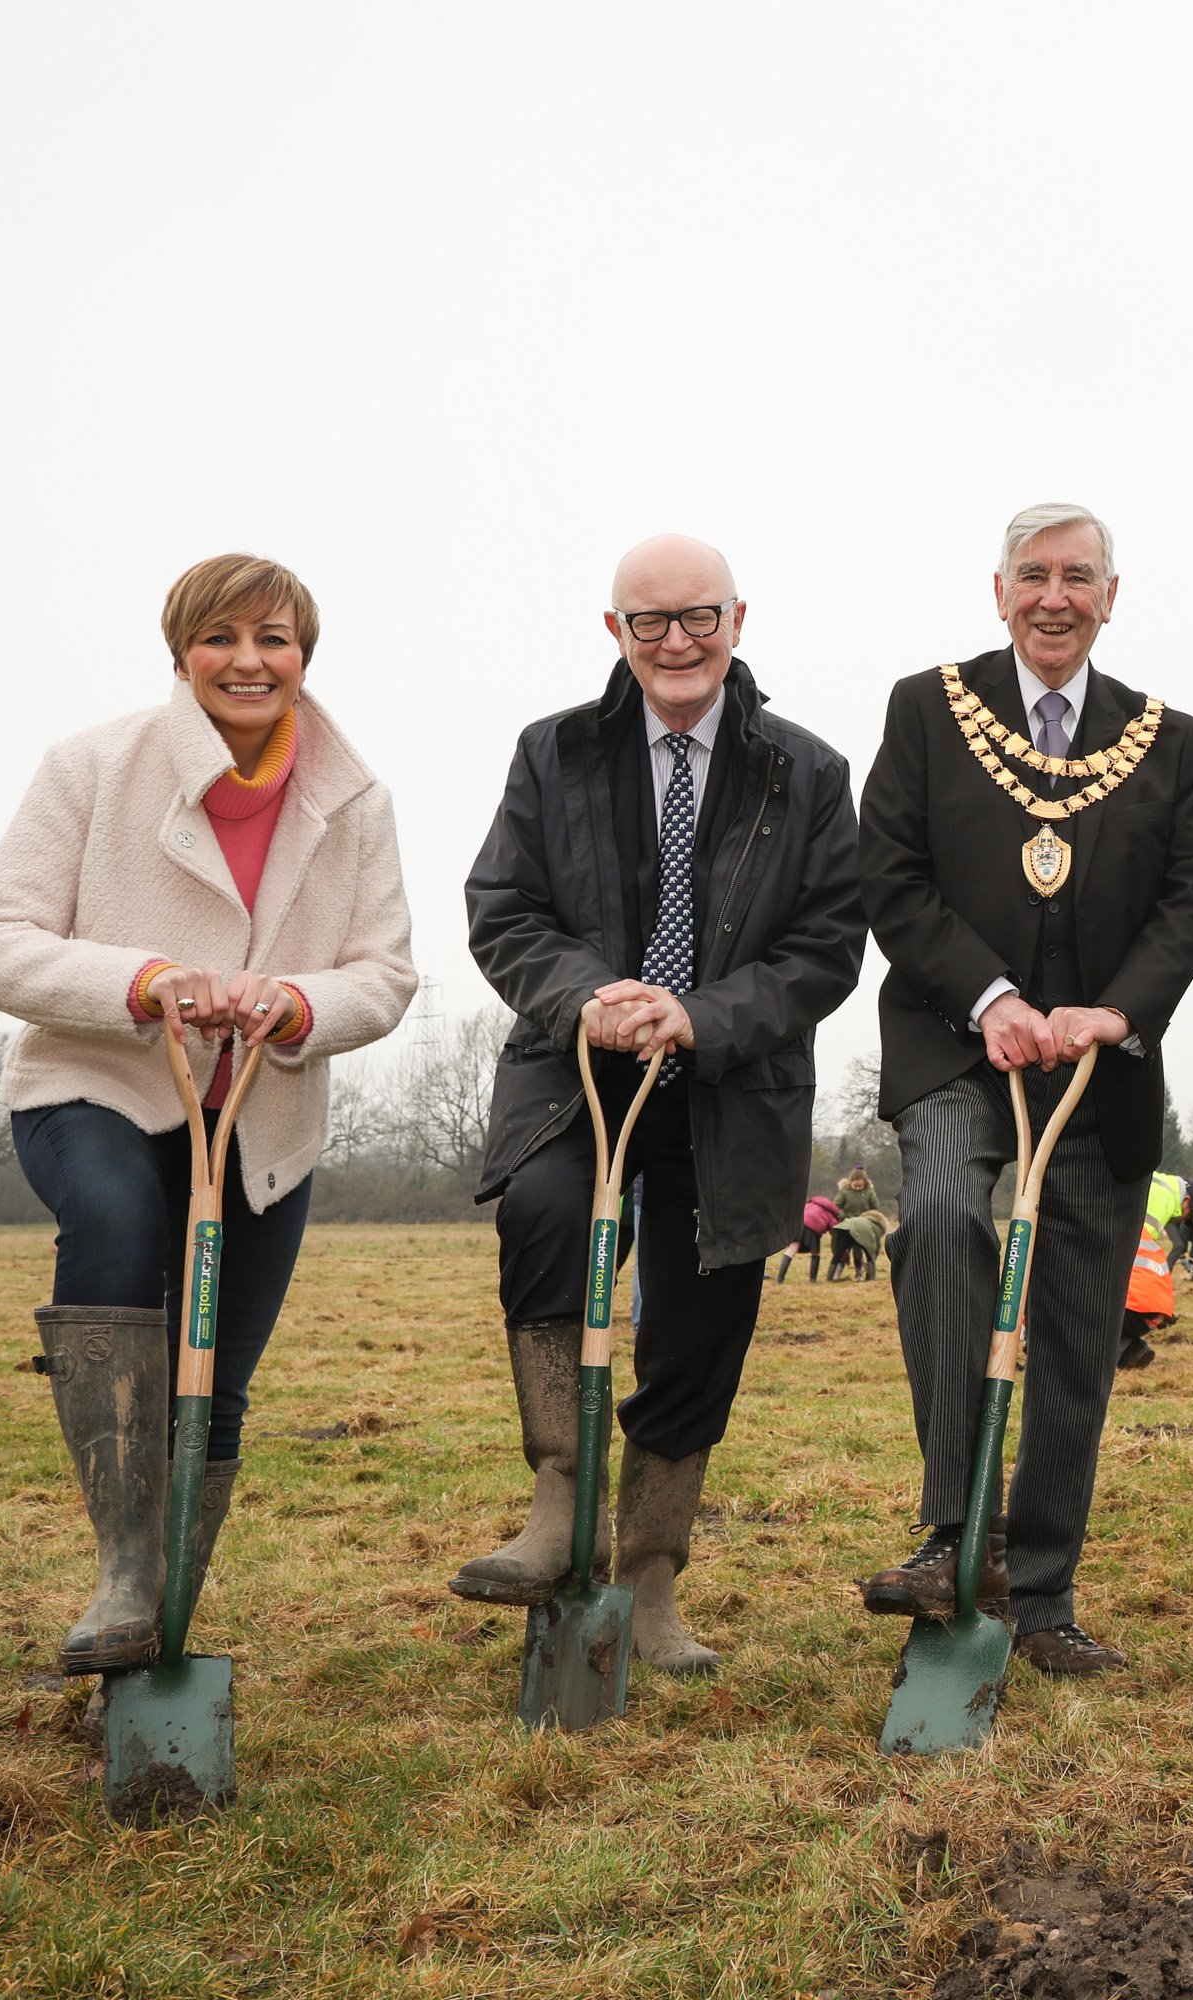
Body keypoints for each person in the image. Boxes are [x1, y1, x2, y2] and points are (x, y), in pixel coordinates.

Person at [0, 552, 417, 1680]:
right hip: (101, 1085)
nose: (249, 662)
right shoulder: (93, 768)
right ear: (181, 652)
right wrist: (147, 979)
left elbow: (387, 972)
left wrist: (301, 1000)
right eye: (222, 638)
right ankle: (122, 1562)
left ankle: (162, 1613)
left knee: (217, 1367)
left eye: (275, 638)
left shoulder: (352, 799)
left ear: (305, 654)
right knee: (112, 1219)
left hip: (260, 1118)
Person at [458, 533, 866, 1675]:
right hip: (575, 1065)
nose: (677, 641)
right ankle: (557, 1501)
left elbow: (829, 944)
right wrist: (590, 999)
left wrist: (706, 1013)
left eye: (700, 617)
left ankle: (648, 1578)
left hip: (732, 1081)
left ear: (741, 619)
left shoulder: (808, 770)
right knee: (542, 1213)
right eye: (651, 622)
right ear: (615, 632)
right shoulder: (553, 755)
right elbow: (504, 908)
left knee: (702, 1320)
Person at [853, 502, 1193, 1677]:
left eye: (1078, 577)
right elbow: (893, 879)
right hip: (959, 1041)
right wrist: (994, 996)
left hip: (1101, 1060)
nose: (1054, 596)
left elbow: (1189, 896)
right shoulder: (928, 706)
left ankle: (1044, 1594)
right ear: (998, 590)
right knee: (951, 1220)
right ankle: (956, 1527)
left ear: (1112, 595)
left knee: (1076, 1318)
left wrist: (1116, 1010)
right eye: (1033, 576)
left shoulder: (1165, 737)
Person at [1121, 1171, 1186, 1370]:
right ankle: (1134, 1350)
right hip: (1158, 1313)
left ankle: (1123, 1351)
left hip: (1133, 1311)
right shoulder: (1146, 1239)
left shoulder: (1121, 1234)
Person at [775, 1193, 841, 1283]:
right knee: (815, 1253)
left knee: (791, 1249)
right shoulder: (829, 1213)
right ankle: (813, 1280)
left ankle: (779, 1278)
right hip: (813, 1229)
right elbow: (836, 1231)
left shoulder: (809, 1204)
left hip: (799, 1224)